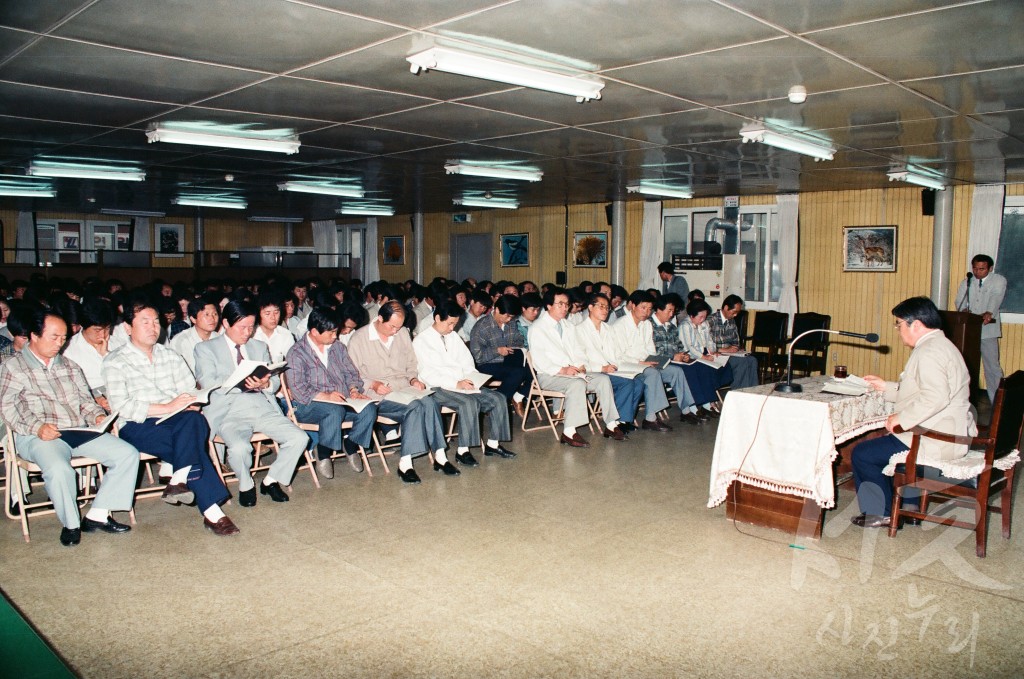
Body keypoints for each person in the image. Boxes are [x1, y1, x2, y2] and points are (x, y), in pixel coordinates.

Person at [0, 310, 139, 546]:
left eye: (63, 338)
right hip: (38, 435)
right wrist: (37, 427)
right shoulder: (12, 366)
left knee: (127, 454)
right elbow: (7, 409)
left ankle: (97, 515)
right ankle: (71, 524)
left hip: (77, 430)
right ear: (34, 335)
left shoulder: (70, 366)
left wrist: (96, 416)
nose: (60, 344)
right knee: (59, 468)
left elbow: (85, 401)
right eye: (54, 337)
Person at [102, 302, 238, 536]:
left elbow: (188, 390)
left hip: (177, 419)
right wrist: (166, 406)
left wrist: (192, 401)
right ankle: (209, 507)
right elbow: (121, 407)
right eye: (144, 322)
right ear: (127, 327)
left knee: (194, 420)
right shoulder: (115, 361)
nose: (153, 327)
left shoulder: (170, 355)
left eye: (156, 321)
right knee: (191, 440)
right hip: (138, 425)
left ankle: (180, 478)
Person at [850, 296, 977, 528]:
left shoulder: (928, 352)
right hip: (950, 431)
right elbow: (922, 390)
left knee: (863, 453)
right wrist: (886, 387)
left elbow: (934, 397)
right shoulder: (941, 345)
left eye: (899, 324)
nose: (898, 330)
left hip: (936, 437)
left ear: (915, 324)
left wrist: (900, 420)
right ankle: (909, 507)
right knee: (883, 443)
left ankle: (881, 513)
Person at [194, 300, 309, 507]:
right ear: (227, 323)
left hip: (260, 406)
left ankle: (270, 480)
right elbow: (208, 382)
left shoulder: (259, 346)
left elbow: (274, 382)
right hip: (228, 409)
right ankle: (245, 484)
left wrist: (266, 383)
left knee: (299, 437)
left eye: (251, 327)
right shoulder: (205, 348)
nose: (247, 333)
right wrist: (238, 379)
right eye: (242, 327)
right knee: (239, 448)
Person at [347, 301, 450, 483]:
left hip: (403, 388)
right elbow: (351, 374)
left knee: (431, 402)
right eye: (392, 326)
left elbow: (411, 363)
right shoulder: (359, 339)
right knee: (415, 407)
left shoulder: (402, 333)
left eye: (399, 327)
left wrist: (413, 379)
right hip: (377, 395)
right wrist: (372, 384)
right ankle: (405, 464)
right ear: (380, 318)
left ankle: (440, 456)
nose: (396, 331)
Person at [414, 301, 516, 466]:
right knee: (469, 402)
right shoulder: (421, 341)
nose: (452, 328)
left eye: (455, 324)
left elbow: (467, 363)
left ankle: (493, 444)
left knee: (498, 398)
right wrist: (456, 383)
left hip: (461, 383)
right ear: (438, 318)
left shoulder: (454, 337)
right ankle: (463, 451)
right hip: (437, 386)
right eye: (450, 323)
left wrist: (474, 379)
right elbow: (428, 374)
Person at [285, 307, 378, 479]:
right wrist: (326, 397)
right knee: (334, 410)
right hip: (308, 406)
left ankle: (351, 444)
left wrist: (354, 390)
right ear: (314, 332)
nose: (335, 336)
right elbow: (298, 389)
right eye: (331, 332)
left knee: (369, 409)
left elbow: (352, 374)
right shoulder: (297, 353)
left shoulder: (338, 348)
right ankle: (323, 451)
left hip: (342, 400)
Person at [528, 288, 624, 447]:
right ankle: (569, 431)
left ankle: (611, 424)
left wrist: (581, 365)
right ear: (548, 306)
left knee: (602, 380)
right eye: (560, 304)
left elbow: (578, 350)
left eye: (567, 304)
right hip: (549, 375)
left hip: (572, 373)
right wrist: (563, 370)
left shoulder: (568, 326)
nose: (565, 307)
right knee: (577, 384)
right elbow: (540, 361)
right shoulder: (537, 328)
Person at [575, 293, 671, 433]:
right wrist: (602, 367)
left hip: (609, 367)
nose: (605, 310)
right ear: (590, 307)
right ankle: (616, 422)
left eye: (607, 307)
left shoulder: (607, 329)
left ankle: (624, 420)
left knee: (638, 381)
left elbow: (613, 355)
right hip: (592, 371)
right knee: (627, 382)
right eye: (601, 306)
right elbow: (579, 359)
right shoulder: (579, 329)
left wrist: (615, 366)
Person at [611, 291, 701, 425]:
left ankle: (686, 411)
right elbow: (618, 356)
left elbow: (650, 349)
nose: (646, 312)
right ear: (633, 306)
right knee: (652, 374)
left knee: (676, 371)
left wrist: (654, 360)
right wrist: (641, 362)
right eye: (643, 307)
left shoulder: (646, 324)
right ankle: (650, 418)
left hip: (646, 362)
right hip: (628, 365)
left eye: (649, 309)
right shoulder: (620, 325)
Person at [954, 254, 1007, 404]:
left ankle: (997, 403)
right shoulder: (968, 281)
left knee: (992, 367)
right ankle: (963, 401)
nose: (978, 272)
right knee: (963, 365)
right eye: (975, 268)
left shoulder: (998, 281)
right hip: (968, 331)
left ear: (990, 268)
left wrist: (989, 312)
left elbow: (996, 297)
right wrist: (962, 309)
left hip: (987, 330)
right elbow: (959, 300)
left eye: (982, 269)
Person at [471, 294, 531, 418]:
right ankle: (494, 404)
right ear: (497, 309)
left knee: (536, 371)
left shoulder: (511, 323)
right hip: (486, 364)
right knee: (517, 373)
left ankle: (517, 397)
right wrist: (497, 350)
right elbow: (477, 356)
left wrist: (516, 346)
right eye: (507, 316)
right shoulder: (481, 327)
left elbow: (518, 339)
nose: (509, 319)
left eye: (512, 316)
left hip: (507, 360)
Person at [678, 298, 733, 416]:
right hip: (691, 356)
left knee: (724, 366)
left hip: (704, 354)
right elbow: (689, 347)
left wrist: (713, 352)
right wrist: (703, 357)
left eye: (705, 317)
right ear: (692, 316)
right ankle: (706, 403)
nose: (703, 320)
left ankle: (708, 402)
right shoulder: (685, 326)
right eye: (700, 317)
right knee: (704, 369)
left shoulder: (704, 324)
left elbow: (709, 340)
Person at [62, 297, 115, 409]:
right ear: (83, 326)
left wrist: (107, 355)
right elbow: (70, 389)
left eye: (107, 328)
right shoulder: (68, 350)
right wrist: (94, 398)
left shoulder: (118, 342)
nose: (103, 335)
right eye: (97, 330)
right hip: (90, 399)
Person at [707, 294, 759, 388]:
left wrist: (736, 348)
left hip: (730, 354)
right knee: (742, 362)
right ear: (726, 307)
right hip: (716, 355)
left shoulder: (731, 321)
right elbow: (706, 345)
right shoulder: (710, 321)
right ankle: (740, 393)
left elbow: (736, 341)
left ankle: (753, 391)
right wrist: (723, 350)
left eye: (737, 313)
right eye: (734, 312)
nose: (735, 315)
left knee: (752, 360)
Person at [168, 296, 221, 375]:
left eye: (215, 314)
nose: (212, 319)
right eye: (206, 315)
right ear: (193, 319)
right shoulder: (180, 341)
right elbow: (175, 372)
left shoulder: (220, 339)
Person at [253, 293, 295, 363]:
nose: (273, 317)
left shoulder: (286, 335)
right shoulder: (252, 335)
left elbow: (292, 361)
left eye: (276, 312)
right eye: (267, 313)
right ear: (258, 314)